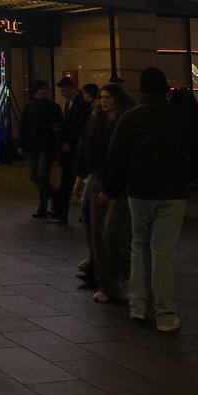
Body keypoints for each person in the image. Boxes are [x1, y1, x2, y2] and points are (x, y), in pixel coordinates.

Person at [104, 66, 198, 332]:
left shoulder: (130, 118)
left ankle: (138, 306)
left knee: (138, 244)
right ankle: (164, 313)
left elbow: (115, 157)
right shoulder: (180, 117)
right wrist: (193, 176)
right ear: (165, 90)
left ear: (141, 90)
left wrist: (113, 188)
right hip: (173, 192)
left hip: (139, 191)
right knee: (163, 251)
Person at [74, 84, 134, 303]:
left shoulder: (125, 121)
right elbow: (86, 148)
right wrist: (81, 177)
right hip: (97, 179)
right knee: (95, 232)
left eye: (108, 97)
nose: (104, 101)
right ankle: (106, 283)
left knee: (113, 233)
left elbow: (123, 159)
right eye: (101, 97)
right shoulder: (96, 122)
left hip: (118, 185)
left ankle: (122, 278)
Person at [50, 77, 94, 222]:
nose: (63, 93)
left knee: (68, 182)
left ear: (72, 88)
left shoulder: (79, 105)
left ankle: (62, 212)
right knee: (66, 182)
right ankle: (61, 212)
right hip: (69, 150)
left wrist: (69, 142)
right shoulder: (69, 104)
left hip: (74, 150)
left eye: (64, 90)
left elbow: (79, 127)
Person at [20, 80, 62, 219]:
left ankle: (44, 206)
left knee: (42, 176)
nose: (44, 91)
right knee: (36, 175)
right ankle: (54, 196)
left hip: (45, 145)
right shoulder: (30, 107)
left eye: (45, 89)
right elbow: (23, 126)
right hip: (35, 145)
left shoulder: (52, 107)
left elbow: (58, 126)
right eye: (41, 89)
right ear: (36, 91)